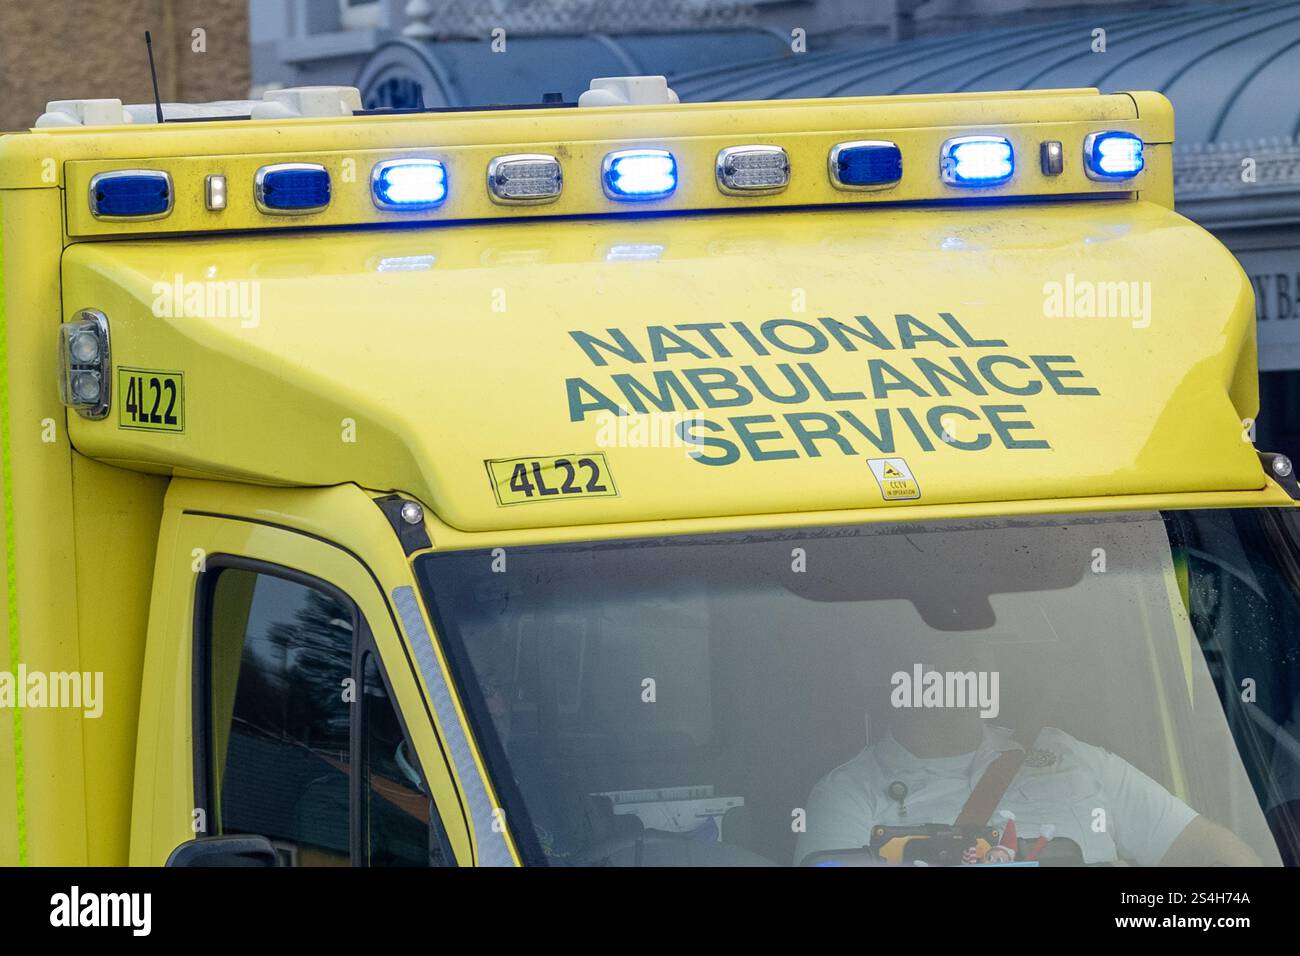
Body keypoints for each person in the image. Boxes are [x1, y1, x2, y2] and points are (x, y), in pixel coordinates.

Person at [795, 643, 1260, 867]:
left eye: (971, 654)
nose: (963, 669)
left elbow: (1204, 849)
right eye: (940, 659)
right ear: (901, 679)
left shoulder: (1065, 754)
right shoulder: (848, 795)